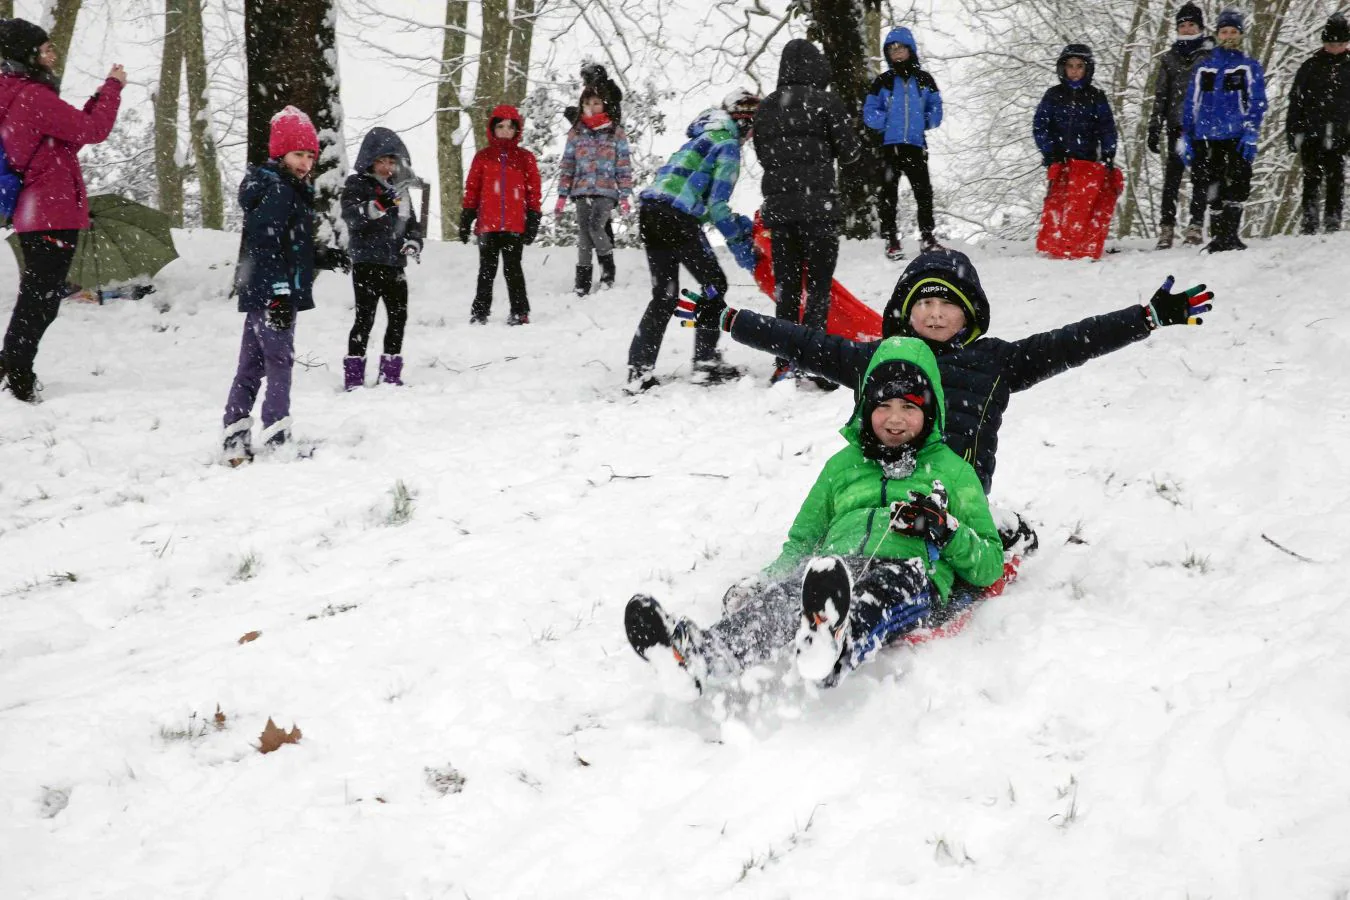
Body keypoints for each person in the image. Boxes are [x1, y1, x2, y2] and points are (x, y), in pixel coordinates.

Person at [624, 336, 1004, 694]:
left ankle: (834, 651)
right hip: (838, 573)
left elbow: (990, 564)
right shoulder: (842, 467)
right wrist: (767, 582)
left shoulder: (953, 472)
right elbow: (804, 540)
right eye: (883, 405)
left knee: (882, 591)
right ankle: (702, 658)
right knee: (790, 596)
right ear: (866, 407)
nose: (895, 418)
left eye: (909, 406)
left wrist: (943, 529)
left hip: (913, 572)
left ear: (930, 410)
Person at [689, 248, 1213, 500]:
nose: (936, 314)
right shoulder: (881, 357)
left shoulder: (996, 361)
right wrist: (733, 319)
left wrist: (1147, 317)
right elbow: (806, 342)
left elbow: (1071, 341)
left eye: (949, 304)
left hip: (950, 494)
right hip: (880, 484)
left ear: (970, 315)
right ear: (906, 311)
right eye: (925, 303)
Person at [0, 19, 124, 403]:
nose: (53, 53)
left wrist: (92, 105)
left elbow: (68, 139)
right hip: (49, 209)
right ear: (27, 54)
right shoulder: (33, 97)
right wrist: (113, 87)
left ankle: (12, 364)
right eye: (45, 47)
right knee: (41, 298)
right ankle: (17, 374)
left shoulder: (15, 94)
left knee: (40, 294)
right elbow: (93, 130)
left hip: (36, 210)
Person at [626, 91, 759, 391]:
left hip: (651, 211)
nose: (751, 136)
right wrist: (741, 248)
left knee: (664, 295)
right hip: (677, 215)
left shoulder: (703, 137)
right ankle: (705, 363)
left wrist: (738, 225)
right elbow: (717, 205)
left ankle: (639, 370)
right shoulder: (727, 145)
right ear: (744, 124)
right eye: (752, 128)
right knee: (715, 284)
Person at [222, 107, 327, 464]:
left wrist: (322, 256)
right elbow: (267, 244)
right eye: (298, 154)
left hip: (260, 290)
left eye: (310, 155)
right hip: (272, 292)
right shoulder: (280, 191)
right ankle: (277, 435)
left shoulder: (283, 188)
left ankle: (234, 436)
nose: (305, 162)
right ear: (280, 153)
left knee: (250, 365)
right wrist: (281, 293)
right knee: (279, 361)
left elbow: (287, 244)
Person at [753, 38, 861, 385]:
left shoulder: (767, 107)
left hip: (782, 212)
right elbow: (850, 152)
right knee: (817, 287)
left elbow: (763, 154)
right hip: (819, 208)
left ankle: (785, 359)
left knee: (786, 286)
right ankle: (816, 360)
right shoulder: (826, 102)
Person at [340, 126, 423, 390]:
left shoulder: (402, 190)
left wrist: (413, 242)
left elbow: (412, 224)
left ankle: (390, 373)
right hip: (367, 263)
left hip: (395, 264)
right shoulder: (357, 184)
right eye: (381, 161)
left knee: (398, 317)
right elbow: (352, 216)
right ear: (370, 161)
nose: (387, 167)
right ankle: (354, 374)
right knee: (365, 318)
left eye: (391, 161)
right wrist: (377, 206)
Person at [1179, 9, 1267, 253]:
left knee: (1239, 181)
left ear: (1240, 35)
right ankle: (1218, 236)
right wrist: (1187, 133)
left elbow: (1257, 101)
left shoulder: (1249, 66)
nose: (1229, 35)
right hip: (1207, 135)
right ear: (1217, 34)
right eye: (1224, 31)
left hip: (1237, 134)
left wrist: (1251, 131)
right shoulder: (1204, 67)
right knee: (1212, 184)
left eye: (1233, 32)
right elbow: (1191, 102)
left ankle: (1231, 235)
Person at [862, 27, 943, 260]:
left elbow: (935, 108)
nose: (896, 53)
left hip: (916, 145)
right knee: (888, 195)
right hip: (890, 146)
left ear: (910, 50)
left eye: (900, 48)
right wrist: (885, 120)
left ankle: (927, 238)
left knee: (923, 193)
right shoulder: (883, 81)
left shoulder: (924, 80)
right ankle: (891, 240)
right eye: (891, 49)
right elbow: (869, 111)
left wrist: (926, 121)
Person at [459, 104, 541, 326]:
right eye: (501, 126)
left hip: (514, 225)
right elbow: (472, 188)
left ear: (517, 130)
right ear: (492, 128)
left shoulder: (525, 158)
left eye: (510, 127)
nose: (505, 131)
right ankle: (480, 312)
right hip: (488, 225)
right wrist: (467, 215)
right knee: (486, 270)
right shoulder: (483, 157)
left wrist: (533, 216)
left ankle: (519, 311)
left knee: (513, 269)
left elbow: (533, 190)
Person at [1148, 3, 1214, 249]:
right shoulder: (1169, 58)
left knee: (1200, 178)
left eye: (1191, 25)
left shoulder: (1211, 56)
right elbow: (1161, 94)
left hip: (1202, 126)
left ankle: (1195, 226)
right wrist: (1154, 125)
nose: (1187, 29)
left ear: (1200, 27)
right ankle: (1167, 228)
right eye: (1182, 25)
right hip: (1176, 125)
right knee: (1172, 179)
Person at [556, 86, 632, 295]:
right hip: (581, 190)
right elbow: (568, 163)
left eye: (596, 103)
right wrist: (562, 194)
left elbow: (623, 165)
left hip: (605, 191)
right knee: (583, 235)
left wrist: (625, 194)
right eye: (587, 103)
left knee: (596, 227)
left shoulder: (615, 132)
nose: (591, 107)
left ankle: (608, 272)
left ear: (605, 105)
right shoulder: (576, 132)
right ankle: (582, 281)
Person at [1287, 14, 1350, 235]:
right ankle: (1309, 221)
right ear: (1324, 43)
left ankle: (1333, 220)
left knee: (1336, 178)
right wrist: (1293, 130)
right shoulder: (1310, 67)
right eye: (1332, 44)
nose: (1336, 48)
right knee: (1311, 178)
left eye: (1340, 44)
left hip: (1341, 134)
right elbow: (1295, 100)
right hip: (1311, 132)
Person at [1034, 43, 1117, 170]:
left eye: (1079, 66)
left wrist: (1108, 155)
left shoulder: (1096, 96)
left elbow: (1107, 128)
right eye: (1070, 66)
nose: (1074, 71)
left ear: (1087, 68)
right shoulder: (1053, 95)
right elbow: (1040, 125)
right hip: (1059, 164)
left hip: (1088, 165)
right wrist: (1050, 152)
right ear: (1063, 68)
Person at [563, 61, 624, 128]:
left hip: (602, 129)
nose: (584, 83)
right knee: (570, 111)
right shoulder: (589, 91)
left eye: (585, 79)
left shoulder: (608, 89)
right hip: (594, 127)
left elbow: (613, 116)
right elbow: (582, 111)